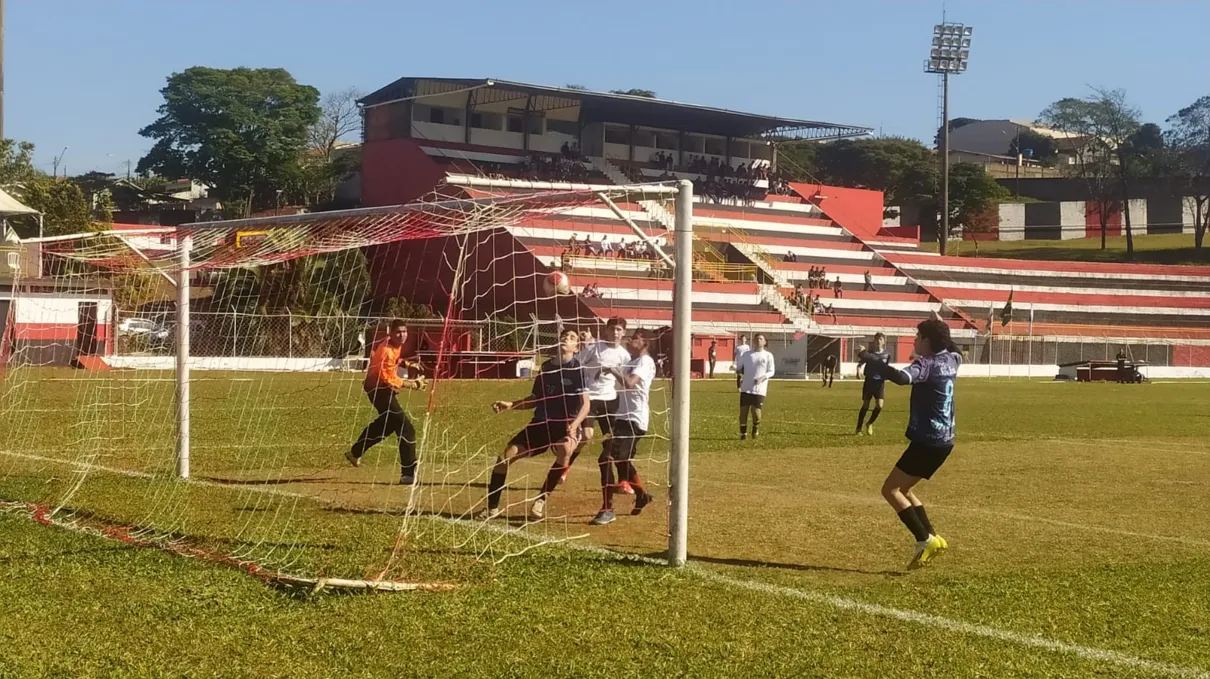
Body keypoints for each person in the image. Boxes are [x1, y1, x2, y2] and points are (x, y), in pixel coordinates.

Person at [859, 319, 961, 569]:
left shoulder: (926, 365)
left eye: (918, 336)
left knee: (890, 490)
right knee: (905, 489)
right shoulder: (953, 359)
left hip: (928, 440)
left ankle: (924, 539)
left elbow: (901, 378)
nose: (914, 340)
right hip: (945, 441)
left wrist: (869, 358)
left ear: (927, 341)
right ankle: (933, 537)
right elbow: (953, 347)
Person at [478, 328, 590, 521]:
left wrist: (575, 424)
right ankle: (492, 508)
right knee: (503, 459)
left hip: (564, 426)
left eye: (571, 338)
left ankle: (541, 499)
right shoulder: (546, 368)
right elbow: (535, 398)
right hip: (540, 424)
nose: (566, 339)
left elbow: (586, 404)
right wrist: (511, 405)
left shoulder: (578, 370)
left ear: (577, 347)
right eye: (564, 336)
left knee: (565, 449)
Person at [346, 320, 427, 485]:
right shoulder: (386, 351)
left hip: (379, 389)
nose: (402, 335)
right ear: (390, 333)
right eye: (398, 332)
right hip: (379, 391)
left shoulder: (392, 344)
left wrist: (408, 363)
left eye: (404, 331)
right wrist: (413, 384)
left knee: (387, 425)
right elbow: (388, 378)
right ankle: (408, 475)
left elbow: (395, 360)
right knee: (406, 429)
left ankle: (355, 452)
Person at [591, 330, 657, 525]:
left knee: (606, 458)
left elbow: (629, 383)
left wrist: (611, 370)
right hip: (622, 418)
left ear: (645, 342)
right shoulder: (631, 361)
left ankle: (607, 509)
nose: (630, 340)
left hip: (634, 419)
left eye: (634, 338)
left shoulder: (645, 362)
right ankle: (642, 494)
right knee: (622, 461)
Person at [566, 317, 632, 493]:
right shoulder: (594, 348)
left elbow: (625, 380)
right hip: (591, 398)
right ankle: (564, 467)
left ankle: (623, 481)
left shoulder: (625, 356)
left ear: (623, 332)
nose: (615, 333)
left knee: (612, 441)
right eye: (612, 329)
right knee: (586, 437)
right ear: (606, 330)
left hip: (610, 400)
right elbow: (575, 363)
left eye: (619, 329)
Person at [738, 334, 775, 440]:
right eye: (756, 339)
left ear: (765, 342)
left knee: (756, 413)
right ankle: (743, 434)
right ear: (753, 341)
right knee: (743, 412)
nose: (758, 340)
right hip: (746, 387)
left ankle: (755, 427)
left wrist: (763, 377)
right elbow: (740, 366)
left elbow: (771, 371)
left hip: (760, 388)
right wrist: (736, 368)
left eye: (761, 339)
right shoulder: (747, 354)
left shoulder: (768, 355)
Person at [855, 333, 890, 435]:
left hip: (880, 383)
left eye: (880, 339)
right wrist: (858, 370)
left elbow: (886, 367)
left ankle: (869, 423)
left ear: (883, 341)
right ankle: (858, 429)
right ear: (874, 342)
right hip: (869, 381)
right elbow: (860, 363)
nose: (878, 341)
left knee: (879, 405)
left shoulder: (887, 355)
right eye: (876, 339)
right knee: (865, 405)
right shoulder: (869, 353)